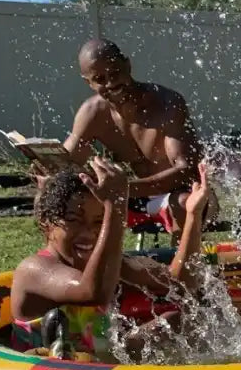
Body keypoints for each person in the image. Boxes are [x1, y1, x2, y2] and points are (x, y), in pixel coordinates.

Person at [11, 158, 210, 362]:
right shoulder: (34, 269)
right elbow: (93, 292)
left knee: (181, 320)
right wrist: (115, 207)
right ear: (46, 223)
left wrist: (193, 216)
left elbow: (180, 283)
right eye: (73, 220)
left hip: (103, 367)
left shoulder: (111, 266)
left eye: (99, 221)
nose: (89, 233)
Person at [58, 38, 216, 234]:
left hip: (184, 196)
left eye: (115, 73)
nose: (111, 83)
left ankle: (183, 255)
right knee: (69, 203)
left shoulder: (166, 103)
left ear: (128, 65)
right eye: (100, 79)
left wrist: (122, 189)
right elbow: (66, 163)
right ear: (88, 82)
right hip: (133, 199)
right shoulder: (93, 113)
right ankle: (85, 254)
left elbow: (185, 170)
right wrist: (45, 168)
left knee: (183, 203)